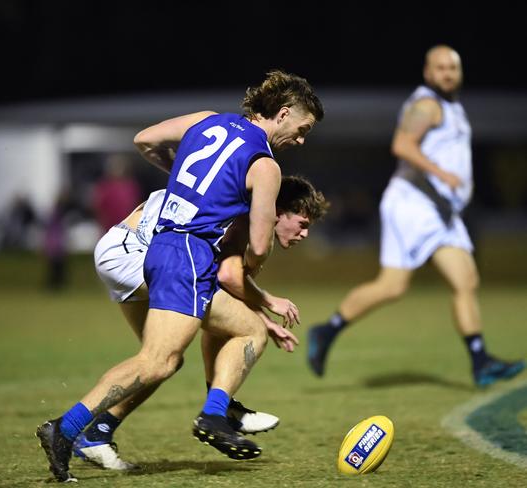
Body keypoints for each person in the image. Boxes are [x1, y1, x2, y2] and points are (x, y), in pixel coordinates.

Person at [37, 69, 324, 482]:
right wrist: (261, 272)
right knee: (157, 360)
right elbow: (259, 246)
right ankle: (64, 429)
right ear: (282, 114)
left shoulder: (207, 119)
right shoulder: (265, 165)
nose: (300, 139)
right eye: (302, 129)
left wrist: (181, 181)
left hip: (162, 246)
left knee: (246, 331)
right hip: (187, 254)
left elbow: (145, 140)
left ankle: (214, 414)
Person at [73, 175, 329, 470]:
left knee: (164, 359)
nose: (304, 234)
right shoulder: (246, 216)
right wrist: (269, 304)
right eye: (302, 224)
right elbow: (228, 278)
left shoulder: (234, 196)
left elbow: (224, 293)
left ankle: (97, 434)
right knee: (228, 335)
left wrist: (260, 315)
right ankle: (217, 411)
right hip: (137, 253)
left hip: (123, 247)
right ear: (277, 210)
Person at [307, 45, 525, 388]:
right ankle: (327, 330)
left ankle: (481, 361)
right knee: (405, 284)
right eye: (440, 68)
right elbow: (403, 145)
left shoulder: (450, 107)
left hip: (439, 210)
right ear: (428, 73)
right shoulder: (427, 105)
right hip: (415, 205)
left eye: (453, 67)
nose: (447, 73)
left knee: (454, 281)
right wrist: (442, 173)